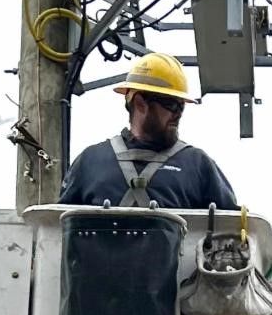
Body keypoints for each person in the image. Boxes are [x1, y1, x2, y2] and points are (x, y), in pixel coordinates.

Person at [59, 52, 238, 210]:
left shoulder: (198, 166)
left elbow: (231, 234)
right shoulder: (90, 163)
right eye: (171, 105)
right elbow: (56, 233)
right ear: (140, 104)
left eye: (181, 106)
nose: (178, 114)